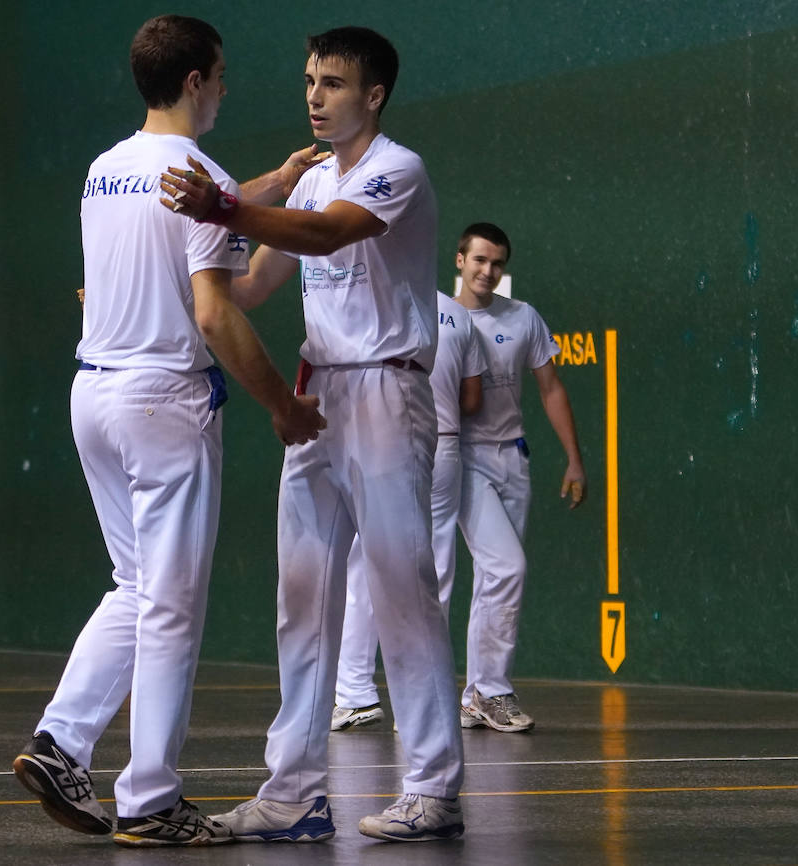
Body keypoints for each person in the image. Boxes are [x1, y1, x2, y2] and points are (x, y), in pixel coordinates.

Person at [11, 15, 324, 849]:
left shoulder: (105, 169)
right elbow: (218, 312)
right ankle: (150, 800)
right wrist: (281, 406)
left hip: (95, 398)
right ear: (195, 81)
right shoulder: (199, 170)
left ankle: (60, 743)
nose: (225, 88)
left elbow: (190, 208)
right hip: (163, 404)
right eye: (220, 75)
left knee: (137, 587)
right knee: (173, 607)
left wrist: (277, 180)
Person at [162, 25, 467, 843]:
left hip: (387, 395)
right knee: (300, 595)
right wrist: (166, 265)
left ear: (373, 95)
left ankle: (433, 789)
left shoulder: (396, 170)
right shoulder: (305, 182)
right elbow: (255, 285)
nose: (314, 96)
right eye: (308, 81)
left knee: (402, 588)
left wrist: (226, 203)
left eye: (332, 83)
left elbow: (329, 233)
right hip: (316, 397)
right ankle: (293, 792)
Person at [453, 222, 586, 733]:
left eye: (498, 263)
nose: (489, 271)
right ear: (460, 260)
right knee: (507, 567)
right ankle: (493, 690)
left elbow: (551, 389)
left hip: (515, 460)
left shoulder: (523, 317)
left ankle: (475, 695)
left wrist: (574, 459)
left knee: (496, 577)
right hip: (463, 460)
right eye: (480, 260)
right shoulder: (440, 318)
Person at [331, 290, 485, 730]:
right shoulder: (458, 315)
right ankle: (422, 707)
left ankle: (354, 692)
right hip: (444, 442)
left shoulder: (376, 301)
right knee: (433, 569)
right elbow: (471, 399)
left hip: (384, 436)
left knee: (365, 564)